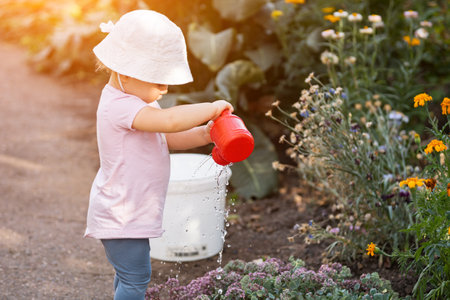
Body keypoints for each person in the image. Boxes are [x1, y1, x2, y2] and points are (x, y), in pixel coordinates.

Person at [84, 10, 233, 300]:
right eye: (158, 80)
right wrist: (212, 107)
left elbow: (168, 137)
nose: (165, 89)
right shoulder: (120, 106)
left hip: (130, 212)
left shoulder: (137, 100)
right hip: (121, 216)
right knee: (136, 279)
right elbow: (171, 122)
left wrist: (205, 134)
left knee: (129, 277)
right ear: (126, 72)